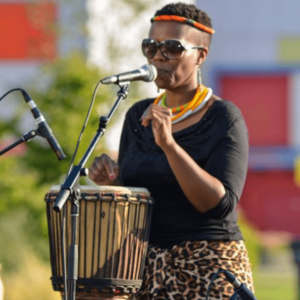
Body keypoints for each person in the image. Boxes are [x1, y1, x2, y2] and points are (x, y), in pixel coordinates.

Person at [89, 2, 254, 299]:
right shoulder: (138, 116)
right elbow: (137, 199)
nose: (158, 56)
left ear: (200, 56)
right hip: (146, 270)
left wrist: (170, 146)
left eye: (172, 47)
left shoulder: (225, 117)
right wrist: (112, 180)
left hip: (209, 269)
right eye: (150, 46)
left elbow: (219, 205)